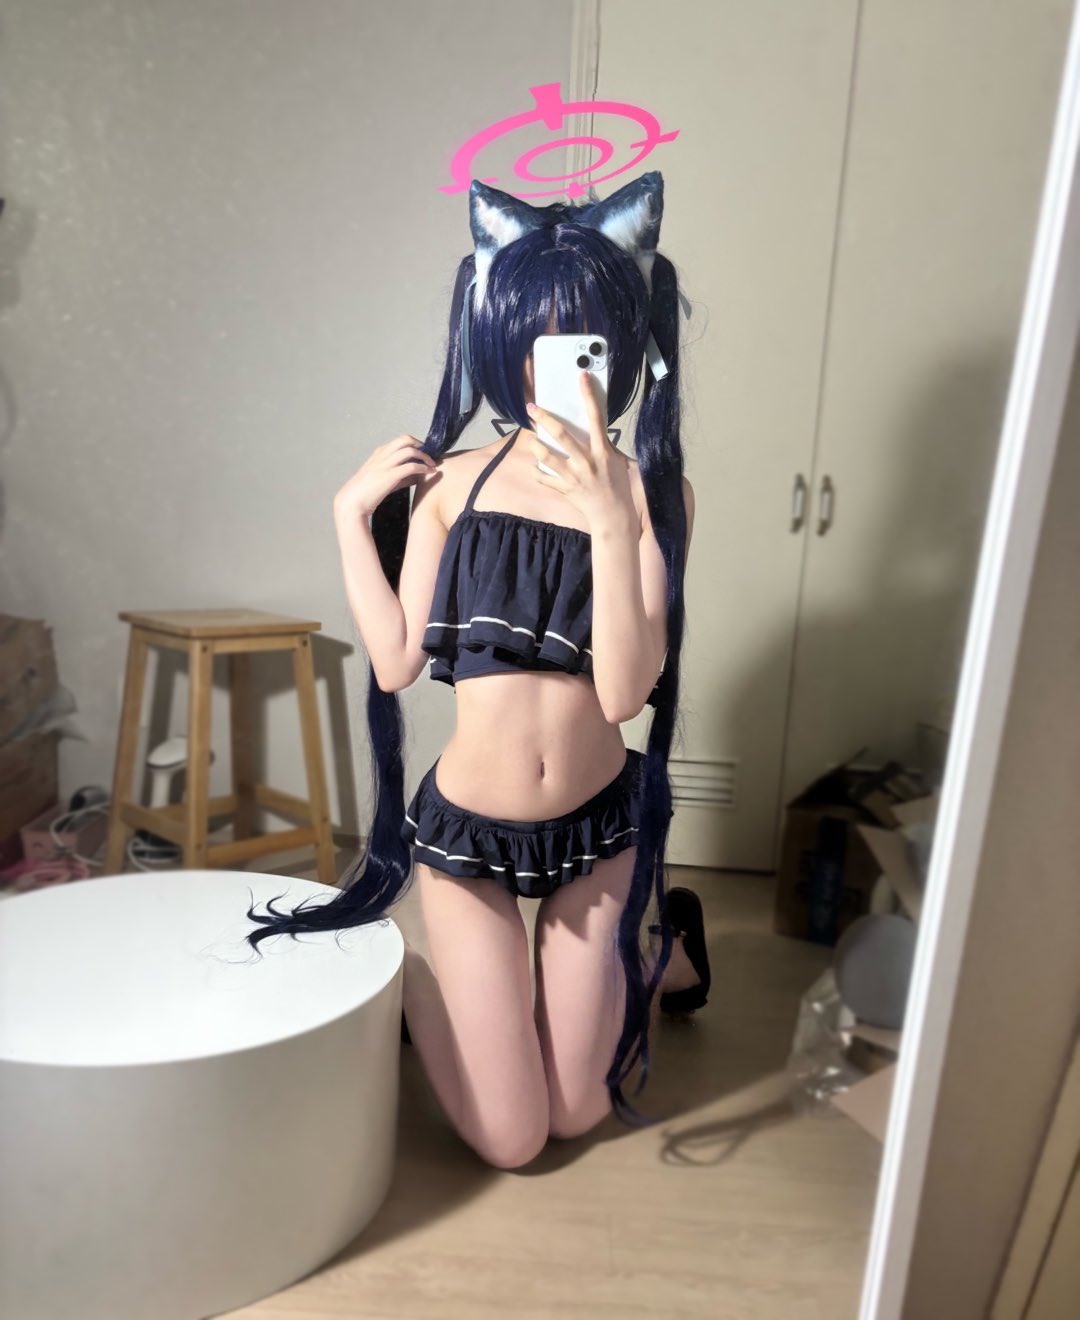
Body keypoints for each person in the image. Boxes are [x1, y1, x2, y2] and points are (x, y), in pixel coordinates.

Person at [245, 171, 699, 1168]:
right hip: (470, 837)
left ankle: (663, 946)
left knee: (578, 1116)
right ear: (500, 343)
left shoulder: (652, 496)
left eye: (583, 343)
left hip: (600, 830)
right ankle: (415, 983)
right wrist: (348, 518)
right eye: (533, 341)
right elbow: (397, 661)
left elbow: (624, 693)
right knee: (514, 1138)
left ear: (621, 348)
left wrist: (611, 521)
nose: (552, 368)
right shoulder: (452, 485)